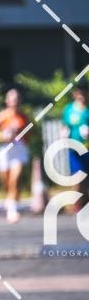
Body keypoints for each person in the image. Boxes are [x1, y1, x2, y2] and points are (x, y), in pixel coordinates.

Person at [0, 88, 30, 223]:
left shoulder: (24, 116)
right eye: (11, 100)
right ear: (7, 101)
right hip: (5, 150)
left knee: (15, 179)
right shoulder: (2, 115)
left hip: (19, 150)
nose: (14, 103)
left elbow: (29, 132)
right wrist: (1, 136)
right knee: (6, 181)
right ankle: (11, 198)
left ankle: (12, 210)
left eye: (16, 100)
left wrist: (22, 135)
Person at [61, 80, 89, 208]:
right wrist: (63, 133)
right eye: (79, 92)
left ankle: (84, 204)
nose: (81, 95)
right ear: (75, 94)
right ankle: (78, 205)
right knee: (78, 177)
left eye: (84, 92)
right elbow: (64, 126)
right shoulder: (68, 110)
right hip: (74, 149)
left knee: (86, 180)